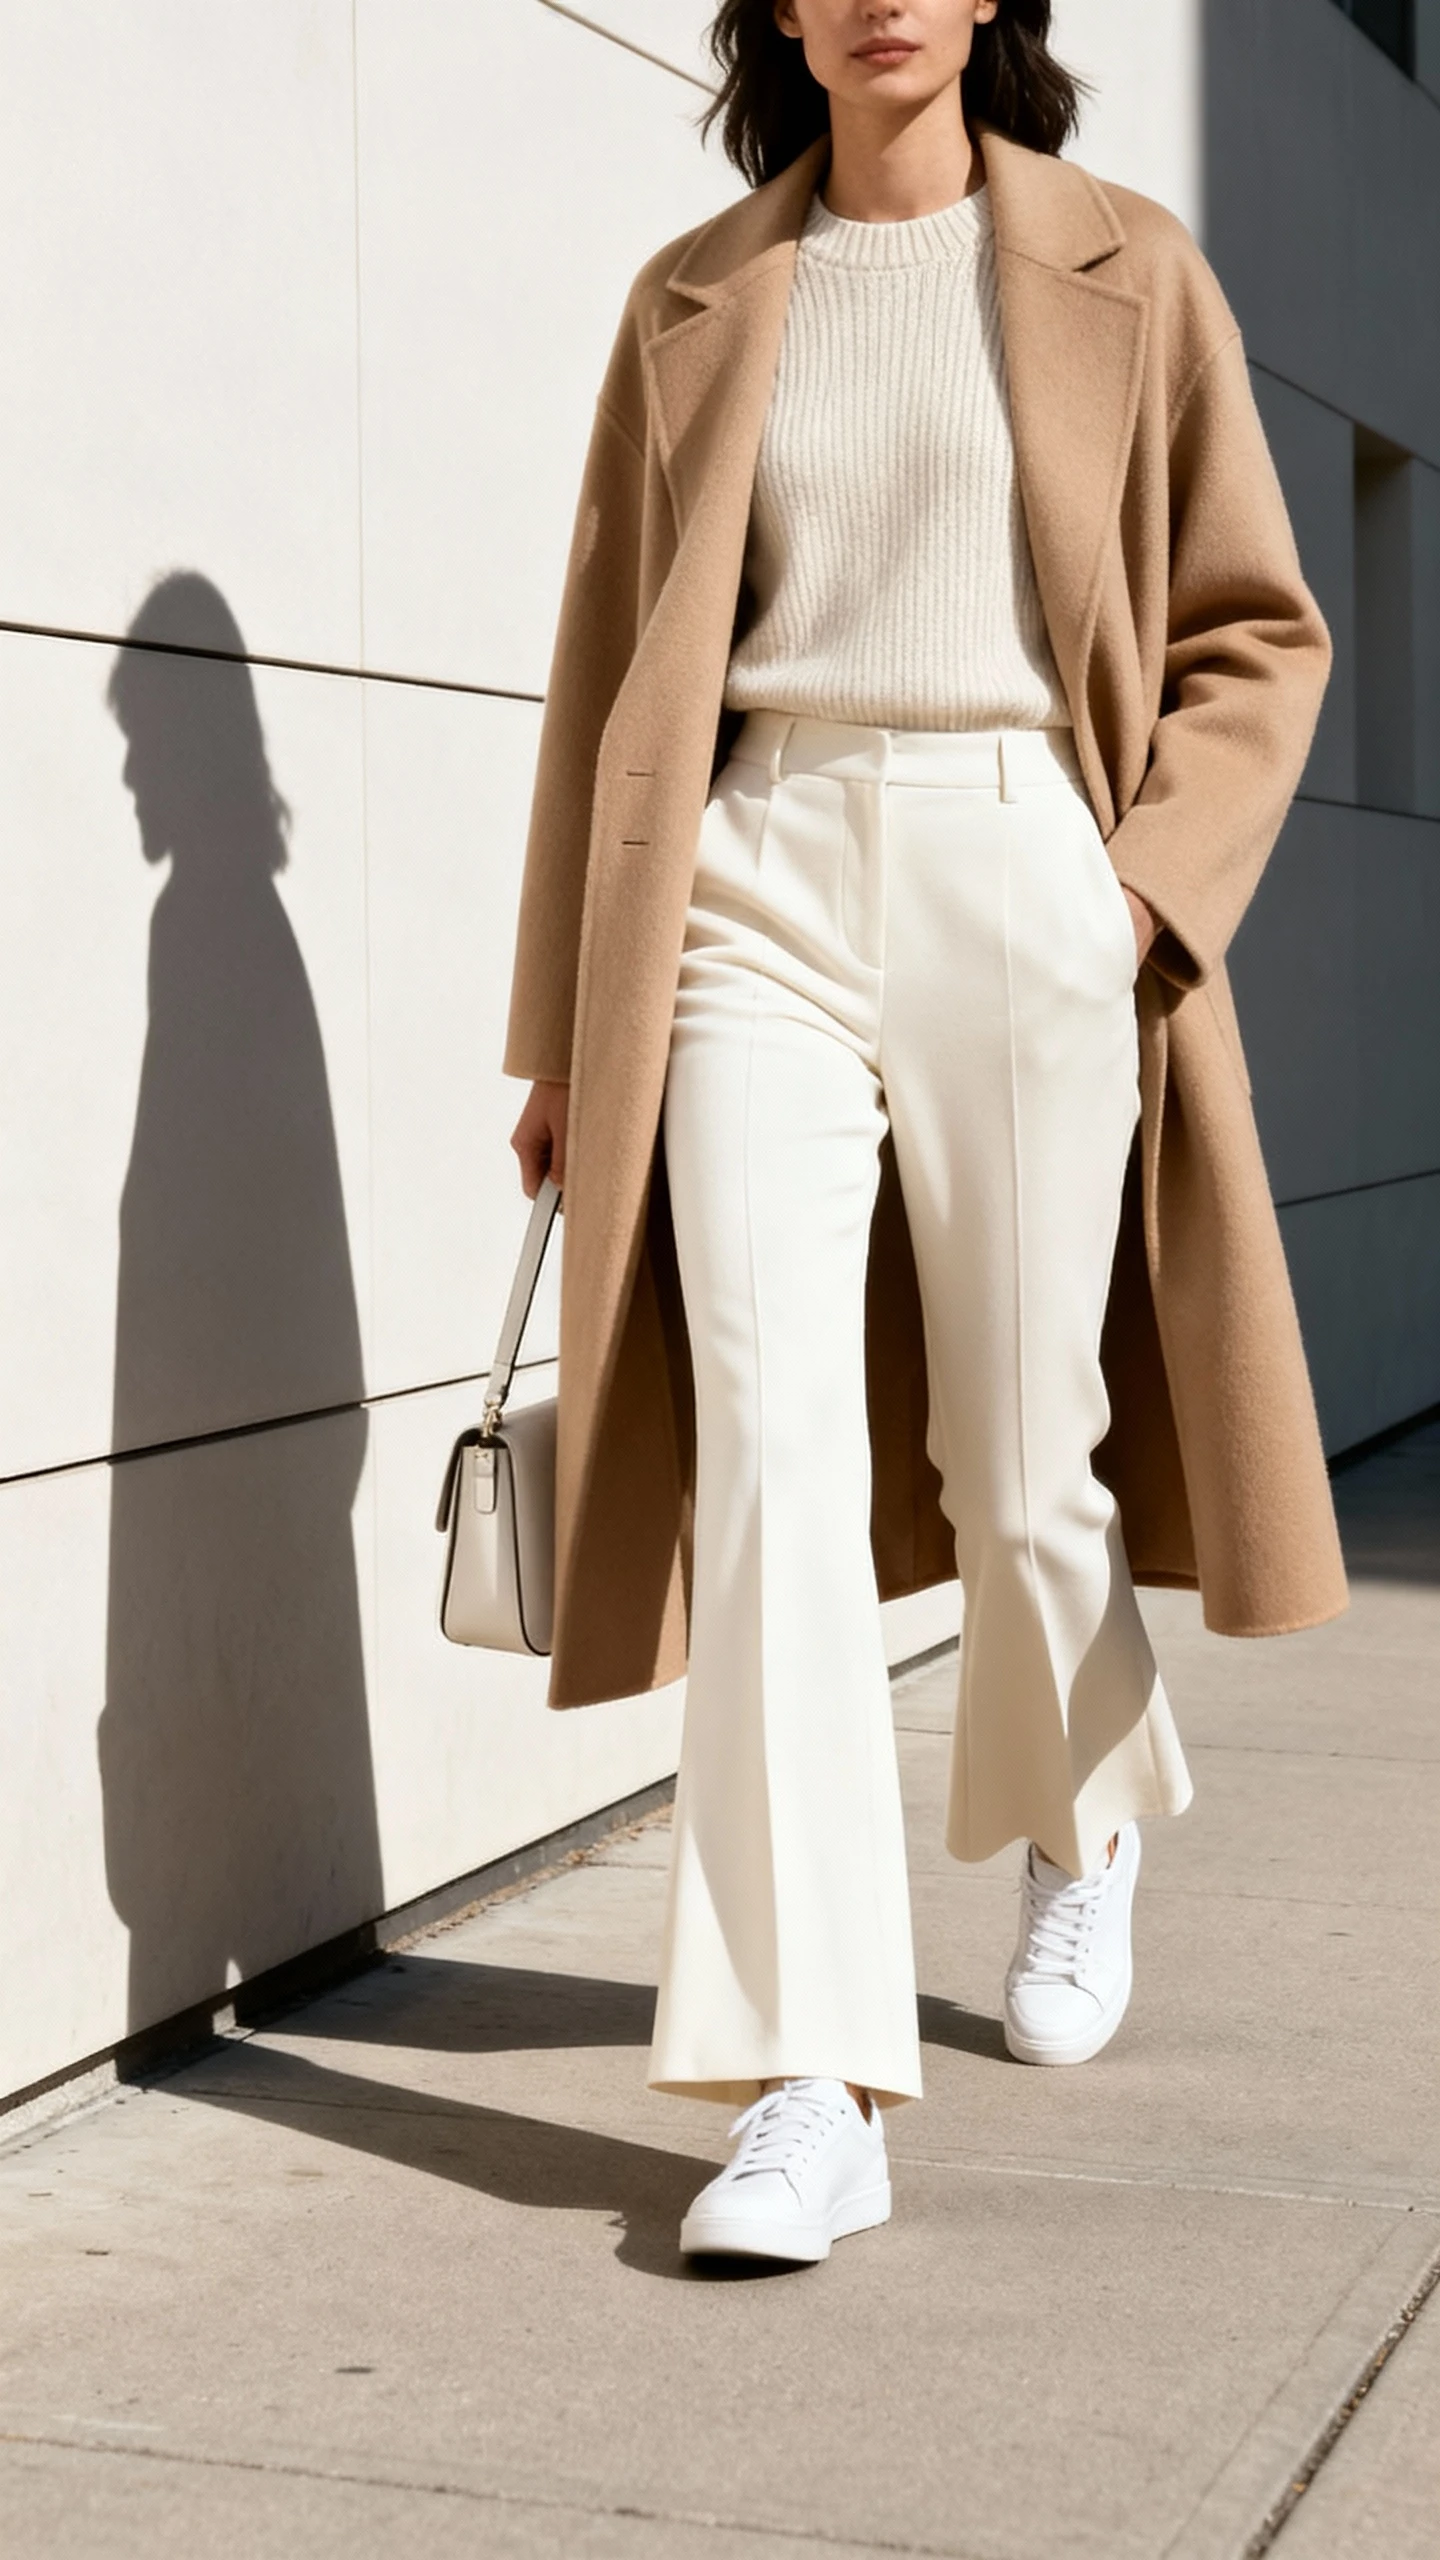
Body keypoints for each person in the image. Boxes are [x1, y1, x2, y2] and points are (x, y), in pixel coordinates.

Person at [506, 0, 1347, 2267]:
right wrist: (561, 1029)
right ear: (782, 11)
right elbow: (609, 669)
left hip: (1021, 858)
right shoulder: (694, 295)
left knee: (1020, 1445)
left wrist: (1139, 895)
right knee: (770, 1450)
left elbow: (1259, 630)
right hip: (751, 882)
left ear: (994, 5)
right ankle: (810, 2071)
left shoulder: (1132, 267)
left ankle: (1080, 1821)